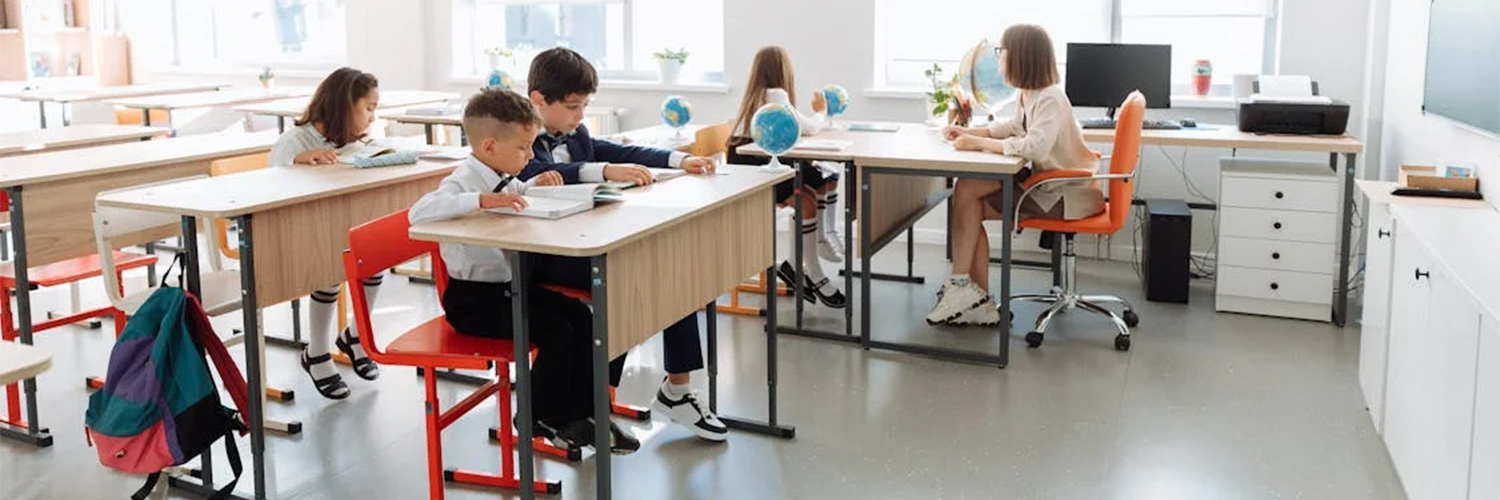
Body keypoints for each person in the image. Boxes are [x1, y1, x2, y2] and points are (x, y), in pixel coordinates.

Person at [408, 87, 638, 453]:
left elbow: (514, 198)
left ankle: (585, 415)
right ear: (489, 147)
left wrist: (533, 185)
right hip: (475, 303)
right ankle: (538, 415)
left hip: (512, 289)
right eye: (523, 148)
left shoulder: (503, 173)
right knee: (558, 332)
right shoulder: (464, 181)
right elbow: (418, 214)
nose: (530, 155)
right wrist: (479, 200)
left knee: (583, 317)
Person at [518, 47, 728, 442]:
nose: (581, 115)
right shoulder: (520, 135)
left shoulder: (576, 133)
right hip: (546, 255)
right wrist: (602, 170)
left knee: (668, 268)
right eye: (573, 106)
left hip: (587, 238)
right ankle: (591, 405)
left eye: (584, 106)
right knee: (629, 279)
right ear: (537, 100)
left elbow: (620, 151)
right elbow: (539, 173)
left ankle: (676, 390)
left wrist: (675, 159)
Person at [926, 24, 1105, 327]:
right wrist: (969, 131)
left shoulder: (1050, 98)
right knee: (968, 195)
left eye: (1002, 52)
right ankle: (976, 298)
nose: (999, 59)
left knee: (968, 195)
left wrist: (979, 143)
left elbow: (1035, 147)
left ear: (1021, 57)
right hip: (1046, 185)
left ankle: (965, 291)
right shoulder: (1029, 94)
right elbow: (1012, 127)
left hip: (1063, 193)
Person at [267, 67, 387, 399]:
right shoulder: (295, 140)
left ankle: (355, 335)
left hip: (334, 226)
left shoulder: (348, 138)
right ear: (342, 105)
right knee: (330, 267)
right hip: (294, 234)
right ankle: (316, 352)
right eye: (369, 108)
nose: (373, 117)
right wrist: (298, 162)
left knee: (376, 256)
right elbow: (266, 188)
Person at [726, 46, 846, 309]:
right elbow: (810, 127)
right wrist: (821, 110)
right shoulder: (776, 95)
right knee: (806, 200)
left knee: (821, 181)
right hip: (753, 168)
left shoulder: (756, 95)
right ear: (782, 72)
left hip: (747, 160)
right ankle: (811, 270)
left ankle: (798, 263)